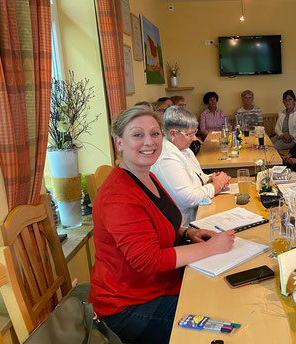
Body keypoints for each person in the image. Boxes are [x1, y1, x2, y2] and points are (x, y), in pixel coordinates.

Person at [89, 105, 235, 344]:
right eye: (137, 135)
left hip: (159, 287)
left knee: (222, 296)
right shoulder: (119, 195)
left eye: (155, 133)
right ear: (119, 143)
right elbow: (148, 261)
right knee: (221, 325)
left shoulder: (144, 174)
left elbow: (156, 223)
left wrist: (187, 233)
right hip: (128, 307)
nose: (149, 142)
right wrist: (211, 248)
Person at [152, 106, 231, 226]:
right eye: (189, 134)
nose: (194, 138)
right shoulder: (167, 157)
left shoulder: (184, 149)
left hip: (199, 213)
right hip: (184, 226)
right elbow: (188, 198)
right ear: (173, 133)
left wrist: (213, 177)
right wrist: (217, 185)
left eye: (195, 132)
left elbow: (198, 177)